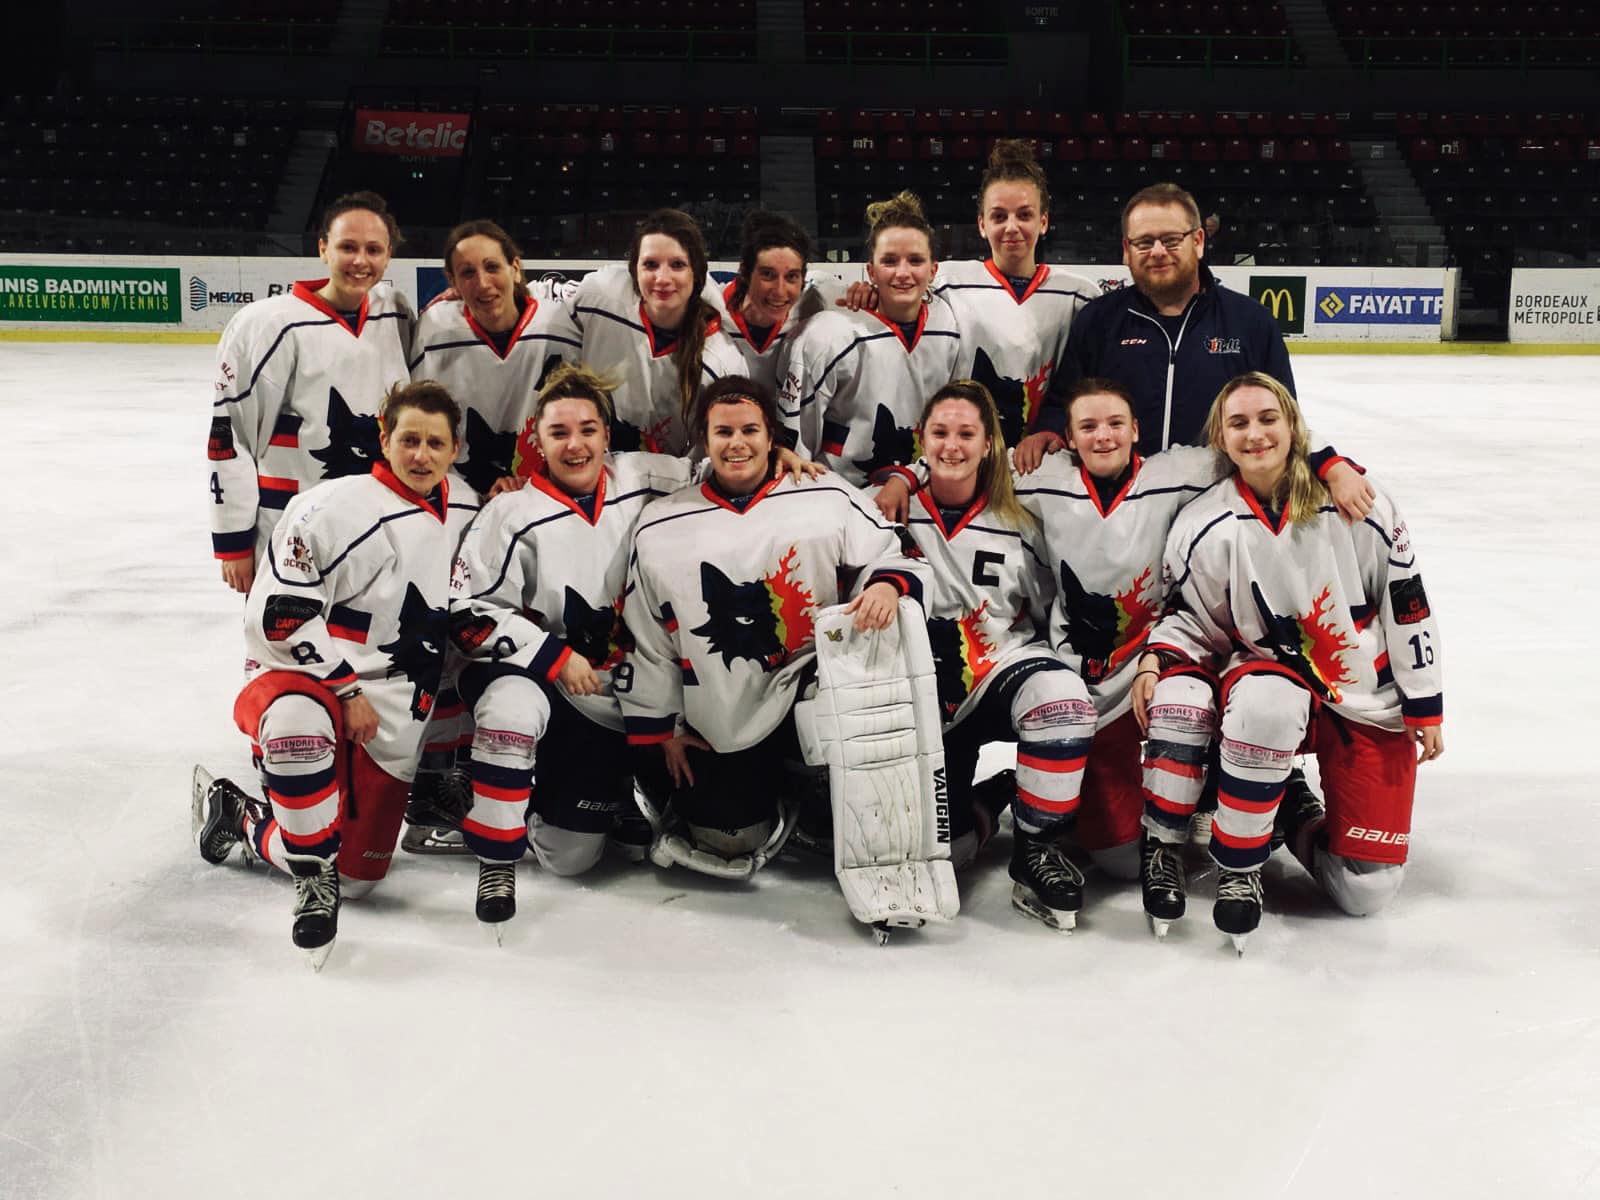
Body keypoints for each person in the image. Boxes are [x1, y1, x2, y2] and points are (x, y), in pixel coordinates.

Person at [878, 377, 1371, 887]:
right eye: (1088, 426)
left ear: (1137, 430)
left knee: (1199, 718)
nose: (1103, 436)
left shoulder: (1177, 471)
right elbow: (958, 456)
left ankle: (1258, 790)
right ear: (1068, 438)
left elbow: (1261, 448)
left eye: (1115, 424)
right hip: (1084, 679)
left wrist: (1329, 464)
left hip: (1160, 663)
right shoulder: (1041, 477)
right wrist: (900, 478)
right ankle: (1007, 794)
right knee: (1116, 859)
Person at [1131, 372, 1444, 951]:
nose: (1255, 434)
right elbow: (1193, 620)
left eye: (1268, 419)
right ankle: (1239, 859)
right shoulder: (1205, 523)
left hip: (1365, 698)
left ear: (1294, 426)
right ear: (1220, 439)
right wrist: (1156, 659)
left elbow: (1406, 603)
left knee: (1366, 890)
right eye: (1239, 423)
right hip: (1267, 683)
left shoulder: (1359, 502)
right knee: (1265, 701)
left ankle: (1293, 812)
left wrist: (1425, 701)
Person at [193, 381, 481, 961]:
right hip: (307, 676)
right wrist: (345, 690)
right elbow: (278, 617)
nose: (420, 455)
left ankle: (242, 815)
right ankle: (304, 862)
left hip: (398, 708)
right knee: (297, 729)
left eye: (435, 443)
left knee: (358, 879)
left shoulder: (470, 510)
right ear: (384, 438)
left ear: (455, 450)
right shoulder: (330, 508)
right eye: (408, 440)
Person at [621, 375, 925, 878]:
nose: (736, 444)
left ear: (771, 437)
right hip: (723, 711)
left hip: (811, 683)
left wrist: (887, 586)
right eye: (723, 432)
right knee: (729, 841)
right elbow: (646, 635)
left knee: (835, 726)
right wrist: (665, 728)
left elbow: (893, 551)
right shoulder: (661, 523)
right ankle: (768, 795)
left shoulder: (823, 493)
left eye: (749, 430)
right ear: (705, 439)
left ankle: (821, 792)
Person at [445, 365, 695, 924]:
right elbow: (466, 612)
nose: (575, 444)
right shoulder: (510, 514)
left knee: (700, 824)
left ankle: (622, 786)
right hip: (569, 694)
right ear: (536, 439)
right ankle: (510, 795)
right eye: (559, 433)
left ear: (608, 434)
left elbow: (729, 465)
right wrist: (553, 656)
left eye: (587, 429)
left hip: (649, 690)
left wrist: (780, 459)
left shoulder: (646, 475)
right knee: (569, 858)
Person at [897, 380, 1100, 930]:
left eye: (967, 434)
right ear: (922, 439)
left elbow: (1042, 609)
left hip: (998, 673)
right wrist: (899, 477)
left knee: (1062, 704)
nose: (952, 446)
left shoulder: (1020, 520)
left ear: (990, 444)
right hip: (918, 696)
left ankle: (1038, 847)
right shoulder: (888, 509)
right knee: (943, 848)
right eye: (940, 433)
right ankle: (998, 797)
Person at [209, 191, 415, 594]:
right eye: (347, 247)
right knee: (286, 640)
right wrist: (234, 541)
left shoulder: (396, 312)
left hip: (377, 518)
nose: (360, 261)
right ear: (323, 248)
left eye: (373, 249)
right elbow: (230, 436)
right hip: (289, 525)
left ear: (389, 256)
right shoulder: (267, 324)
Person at [1022, 182, 1294, 463]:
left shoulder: (1252, 322)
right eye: (1144, 242)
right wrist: (1048, 431)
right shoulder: (1098, 320)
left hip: (1219, 496)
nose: (1158, 251)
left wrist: (1329, 466)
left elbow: (1287, 419)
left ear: (1198, 241)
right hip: (1121, 497)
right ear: (1127, 250)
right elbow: (1063, 402)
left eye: (1172, 239)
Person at [778, 191, 961, 486]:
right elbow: (798, 447)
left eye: (915, 260)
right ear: (871, 271)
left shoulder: (949, 325)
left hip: (920, 485)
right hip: (842, 493)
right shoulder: (829, 334)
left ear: (933, 269)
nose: (903, 273)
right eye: (889, 261)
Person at [931, 140, 1099, 450]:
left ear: (1043, 221)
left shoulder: (1079, 295)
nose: (1012, 227)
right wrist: (868, 296)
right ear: (982, 225)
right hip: (966, 457)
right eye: (998, 216)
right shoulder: (945, 282)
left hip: (1045, 461)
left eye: (1024, 215)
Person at [409, 219, 583, 499]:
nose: (483, 283)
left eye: (492, 267)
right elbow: (421, 424)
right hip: (463, 494)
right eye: (467, 273)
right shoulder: (434, 331)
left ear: (514, 269)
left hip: (550, 490)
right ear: (451, 281)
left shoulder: (560, 323)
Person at [566, 208, 744, 456]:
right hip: (589, 467)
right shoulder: (599, 296)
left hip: (671, 485)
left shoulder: (723, 361)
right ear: (634, 270)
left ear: (697, 274)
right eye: (650, 264)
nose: (662, 278)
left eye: (678, 265)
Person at [708, 210, 842, 396]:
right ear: (745, 272)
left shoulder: (816, 299)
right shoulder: (711, 302)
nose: (780, 291)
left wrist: (866, 296)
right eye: (767, 275)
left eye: (791, 276)